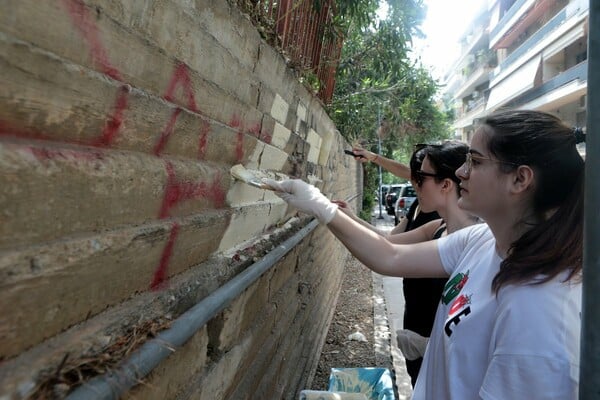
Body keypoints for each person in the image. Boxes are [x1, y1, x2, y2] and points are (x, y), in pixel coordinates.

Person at [265, 109, 584, 399]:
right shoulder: (482, 240)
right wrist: (320, 206)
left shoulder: (539, 314)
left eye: (475, 161)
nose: (461, 172)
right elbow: (390, 255)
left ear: (520, 179)